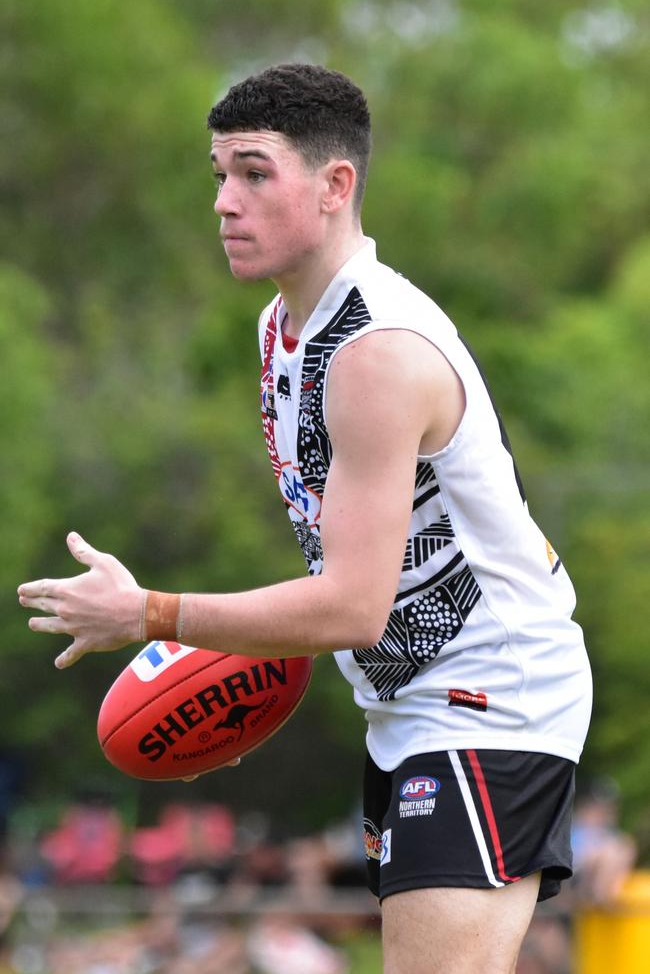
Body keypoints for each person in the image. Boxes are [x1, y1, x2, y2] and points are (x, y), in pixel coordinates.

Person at [18, 64, 592, 973]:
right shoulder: (280, 331)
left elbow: (351, 609)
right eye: (218, 174)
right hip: (406, 704)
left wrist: (153, 615)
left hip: (494, 695)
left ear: (335, 186)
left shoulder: (377, 352)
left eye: (254, 172)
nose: (224, 202)